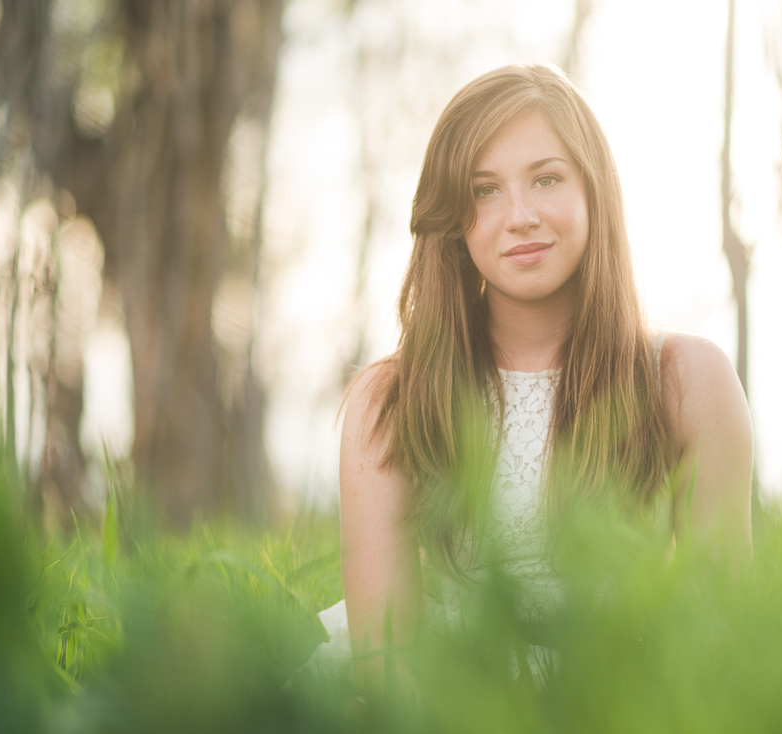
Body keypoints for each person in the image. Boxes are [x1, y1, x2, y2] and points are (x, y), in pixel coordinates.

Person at [320, 63, 752, 697]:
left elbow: (723, 632)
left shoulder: (687, 382)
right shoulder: (391, 401)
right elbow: (389, 669)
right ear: (452, 217)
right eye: (484, 190)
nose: (519, 216)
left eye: (546, 179)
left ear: (593, 191)